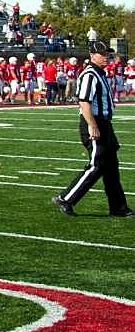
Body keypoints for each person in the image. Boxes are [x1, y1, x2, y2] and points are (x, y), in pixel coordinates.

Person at [53, 41, 133, 218]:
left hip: (104, 123)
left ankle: (118, 207)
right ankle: (65, 198)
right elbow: (84, 101)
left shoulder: (99, 73)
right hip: (95, 122)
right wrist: (92, 125)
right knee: (96, 165)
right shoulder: (90, 74)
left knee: (111, 166)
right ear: (92, 55)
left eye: (107, 54)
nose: (106, 57)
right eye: (102, 54)